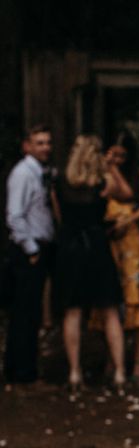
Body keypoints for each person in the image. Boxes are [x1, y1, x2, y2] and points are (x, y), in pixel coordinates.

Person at [54, 135, 133, 395]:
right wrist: (110, 166)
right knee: (110, 311)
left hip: (70, 249)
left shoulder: (59, 182)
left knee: (73, 312)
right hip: (97, 248)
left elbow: (58, 217)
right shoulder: (104, 182)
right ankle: (120, 372)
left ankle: (74, 373)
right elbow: (128, 194)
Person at [91, 130, 139, 383]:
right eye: (113, 154)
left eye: (122, 155)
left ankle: (137, 362)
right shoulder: (100, 172)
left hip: (130, 242)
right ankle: (112, 357)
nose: (117, 159)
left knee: (133, 299)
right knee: (106, 301)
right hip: (108, 242)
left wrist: (129, 219)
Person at [3, 125, 55, 388]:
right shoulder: (23, 174)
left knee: (29, 313)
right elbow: (14, 215)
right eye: (39, 142)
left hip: (38, 248)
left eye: (47, 142)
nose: (45, 147)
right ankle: (23, 372)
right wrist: (31, 249)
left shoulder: (42, 173)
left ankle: (18, 368)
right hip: (27, 252)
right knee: (25, 314)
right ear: (27, 146)